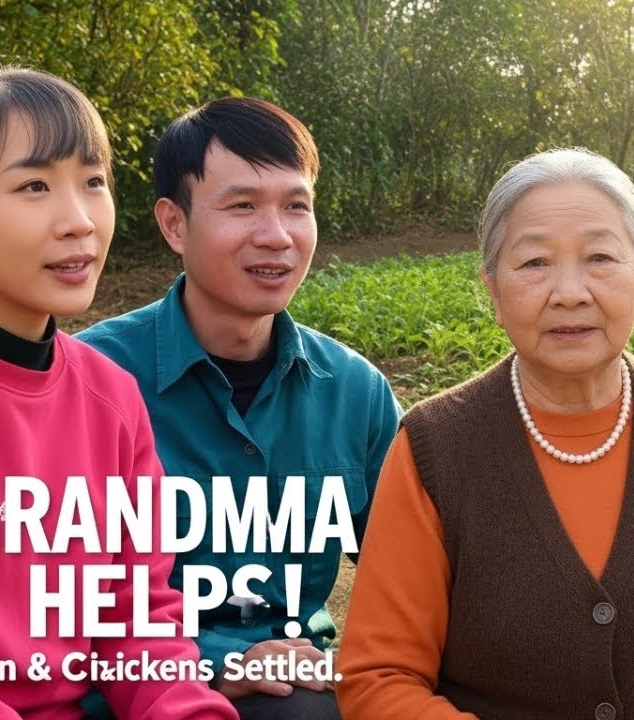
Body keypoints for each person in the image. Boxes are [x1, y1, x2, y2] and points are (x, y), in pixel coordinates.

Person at [335, 147, 634, 719]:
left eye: (600, 257)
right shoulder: (435, 446)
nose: (570, 291)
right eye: (534, 262)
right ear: (493, 290)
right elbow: (380, 676)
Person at [0, 67, 235, 719]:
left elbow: (139, 626)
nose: (78, 221)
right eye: (34, 186)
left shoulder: (112, 397)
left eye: (93, 182)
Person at [77, 96, 401, 719]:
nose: (276, 236)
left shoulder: (354, 391)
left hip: (298, 685)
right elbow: (51, 597)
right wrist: (220, 659)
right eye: (243, 206)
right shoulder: (91, 382)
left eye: (296, 206)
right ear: (174, 225)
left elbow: (413, 578)